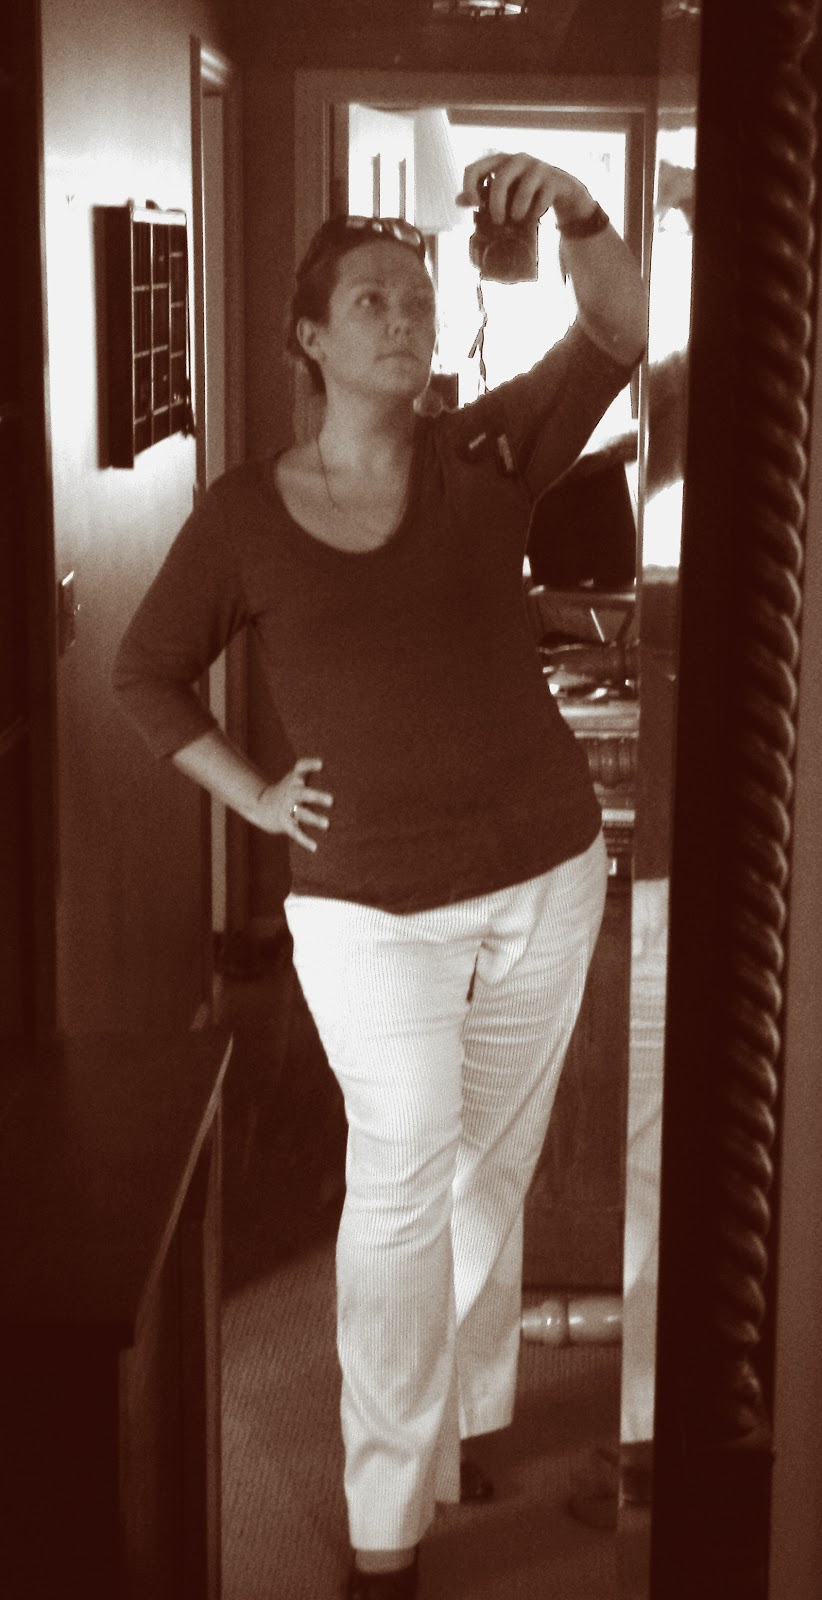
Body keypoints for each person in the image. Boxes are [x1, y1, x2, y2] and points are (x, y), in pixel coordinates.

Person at [113, 151, 647, 1599]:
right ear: (309, 337)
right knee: (403, 1174)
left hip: (544, 873)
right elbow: (147, 672)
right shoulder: (242, 514)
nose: (403, 320)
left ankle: (467, 1413)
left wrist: (578, 212)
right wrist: (255, 792)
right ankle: (384, 1520)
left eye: (417, 299)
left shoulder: (489, 454)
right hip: (365, 909)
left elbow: (617, 329)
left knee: (493, 1163)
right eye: (371, 302)